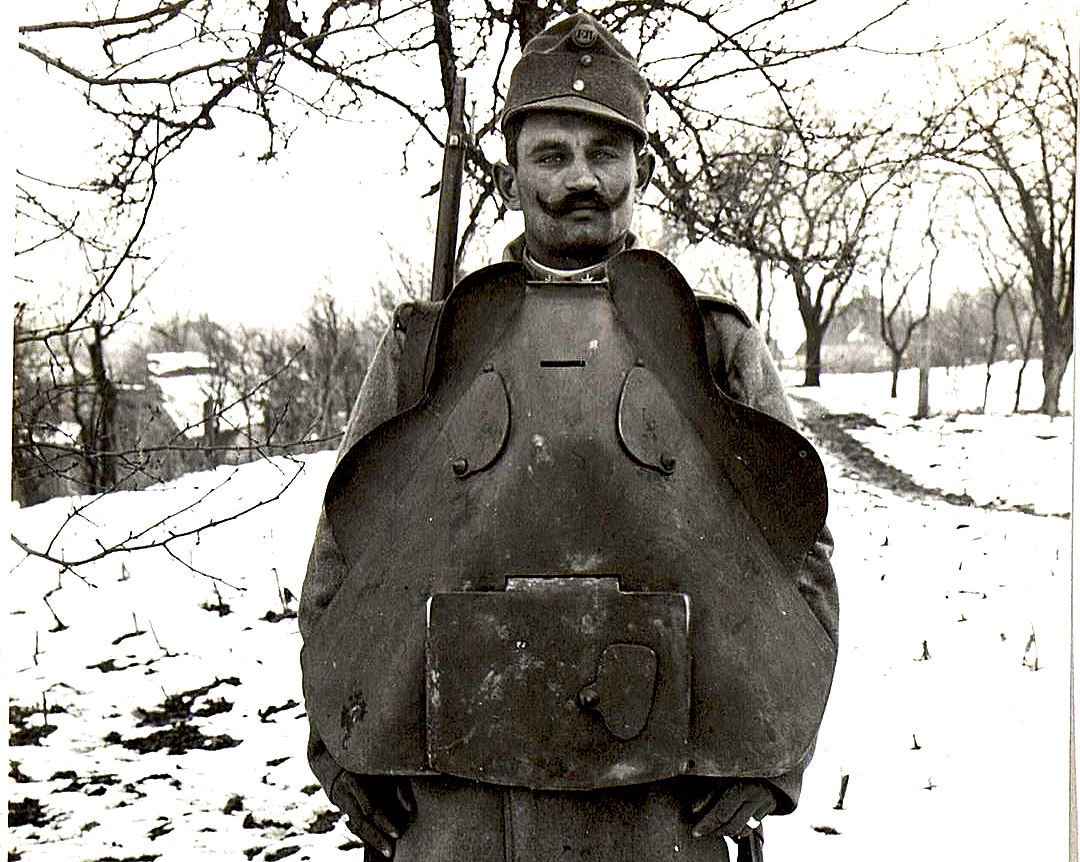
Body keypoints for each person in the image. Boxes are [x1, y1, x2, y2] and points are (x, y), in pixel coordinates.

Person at [299, 12, 838, 862]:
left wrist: (774, 758)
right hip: (457, 818)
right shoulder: (426, 348)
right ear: (512, 171)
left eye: (605, 153)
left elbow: (797, 565)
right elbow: (345, 558)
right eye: (551, 155)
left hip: (661, 814)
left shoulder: (712, 346)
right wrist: (344, 749)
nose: (579, 180)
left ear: (643, 167)